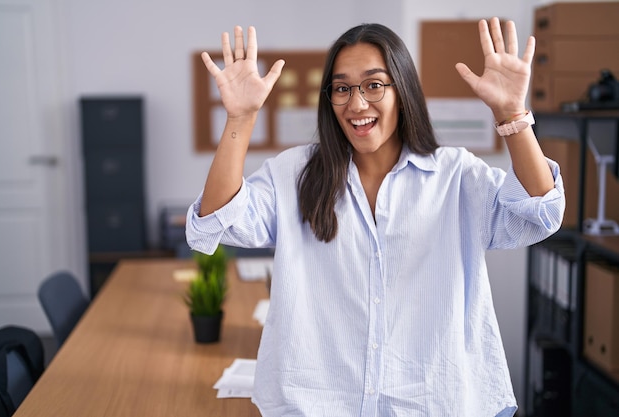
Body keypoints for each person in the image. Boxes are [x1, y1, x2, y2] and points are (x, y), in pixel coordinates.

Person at [186, 18, 565, 417]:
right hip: (317, 405)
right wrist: (241, 120)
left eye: (373, 84)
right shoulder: (293, 174)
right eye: (342, 88)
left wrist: (512, 115)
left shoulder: (456, 176)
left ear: (402, 90)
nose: (357, 103)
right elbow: (214, 221)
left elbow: (540, 214)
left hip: (437, 403)